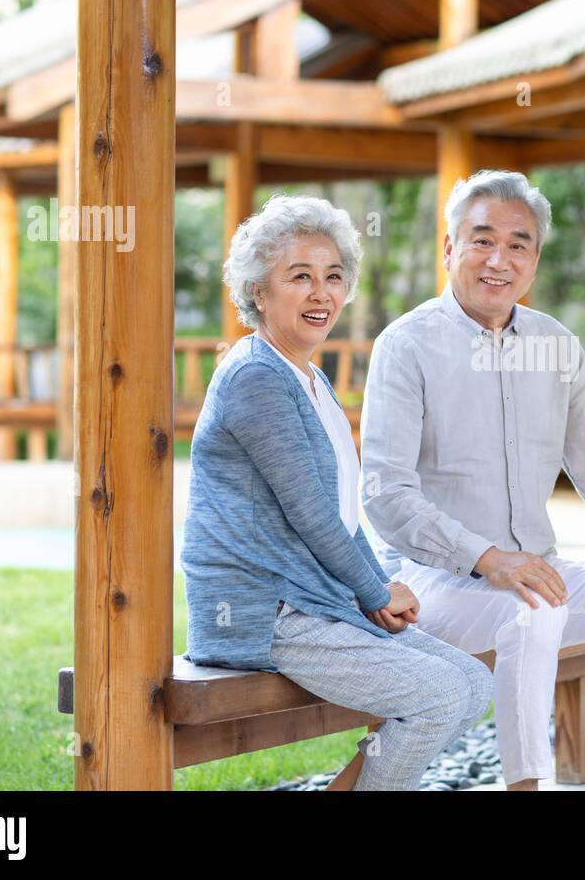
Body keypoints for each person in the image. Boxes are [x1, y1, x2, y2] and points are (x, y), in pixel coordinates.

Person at [360, 169, 585, 791]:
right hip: (434, 582)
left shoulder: (555, 344)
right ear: (449, 249)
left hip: (536, 571)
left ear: (534, 260)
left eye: (518, 244)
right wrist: (488, 558)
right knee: (534, 610)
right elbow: (385, 495)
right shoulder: (407, 345)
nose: (499, 259)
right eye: (481, 240)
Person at [180, 195, 493, 791]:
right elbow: (311, 516)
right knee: (440, 696)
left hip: (315, 601)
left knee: (473, 686)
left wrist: (374, 585)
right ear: (258, 292)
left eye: (333, 276)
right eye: (299, 276)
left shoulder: (308, 376)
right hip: (266, 612)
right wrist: (375, 592)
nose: (322, 293)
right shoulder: (255, 378)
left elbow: (344, 515)